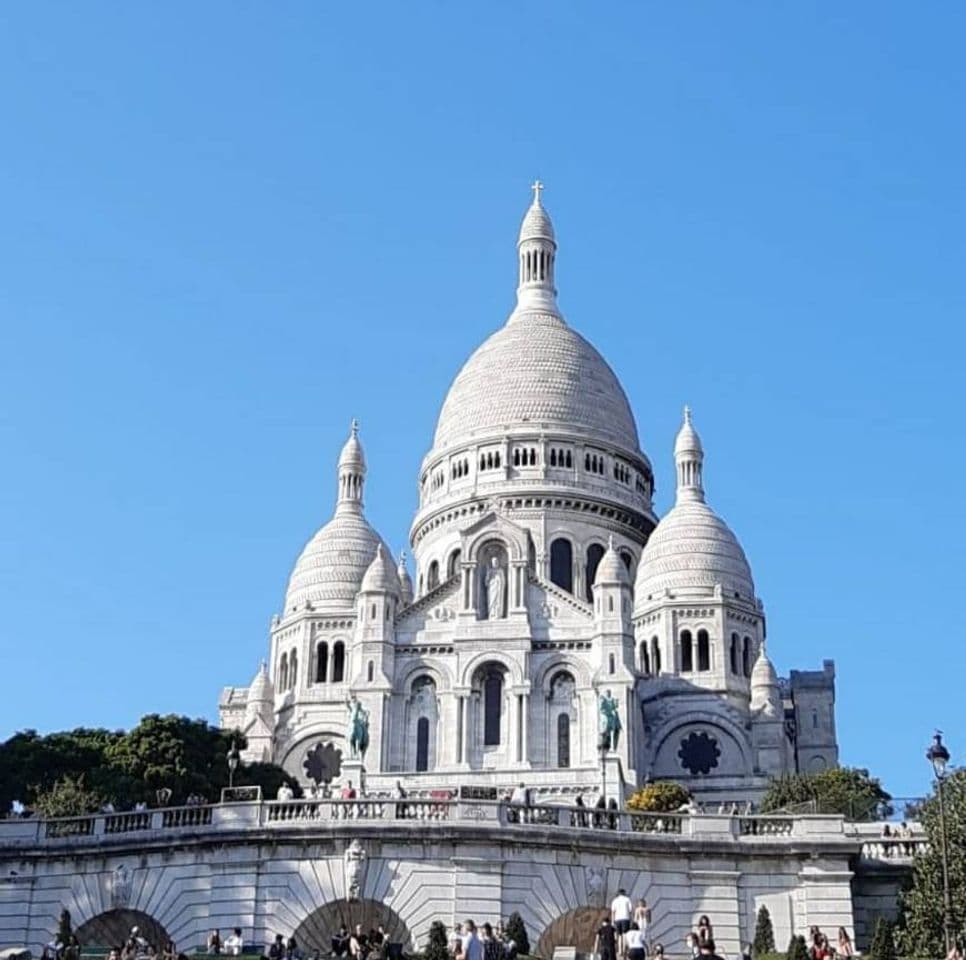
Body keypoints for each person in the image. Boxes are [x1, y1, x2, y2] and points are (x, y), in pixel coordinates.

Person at [611, 888, 633, 958]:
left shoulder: (615, 900)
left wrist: (612, 921)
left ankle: (620, 951)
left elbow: (613, 912)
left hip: (617, 919)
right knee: (625, 935)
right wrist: (631, 919)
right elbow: (630, 910)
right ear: (624, 893)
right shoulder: (627, 899)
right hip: (625, 918)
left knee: (619, 935)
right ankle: (624, 950)